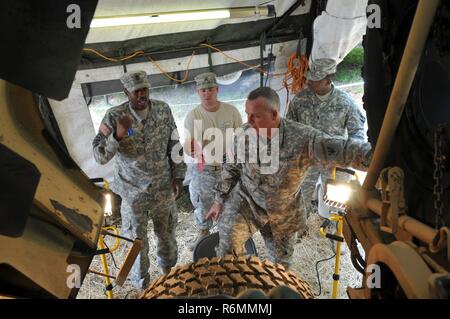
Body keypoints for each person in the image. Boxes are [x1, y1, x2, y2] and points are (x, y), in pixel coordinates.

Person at [206, 87, 371, 268]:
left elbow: (343, 149)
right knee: (226, 250)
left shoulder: (303, 138)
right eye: (248, 114)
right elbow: (231, 168)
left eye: (256, 116)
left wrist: (376, 157)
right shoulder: (243, 135)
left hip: (283, 211)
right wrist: (218, 200)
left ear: (274, 114)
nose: (249, 121)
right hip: (247, 202)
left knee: (281, 266)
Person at [92, 70, 186, 289]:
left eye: (144, 89)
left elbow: (175, 143)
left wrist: (179, 175)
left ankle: (169, 279)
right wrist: (117, 136)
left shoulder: (163, 109)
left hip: (162, 187)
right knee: (136, 242)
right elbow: (99, 156)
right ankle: (142, 286)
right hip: (132, 192)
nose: (141, 94)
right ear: (126, 92)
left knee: (167, 237)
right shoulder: (114, 116)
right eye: (136, 91)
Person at [286, 58, 366, 234]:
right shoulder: (299, 100)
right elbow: (289, 130)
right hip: (307, 161)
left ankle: (335, 229)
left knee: (338, 197)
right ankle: (299, 230)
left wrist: (343, 159)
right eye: (310, 77)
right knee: (300, 195)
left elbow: (357, 135)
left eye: (315, 79)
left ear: (328, 80)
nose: (309, 81)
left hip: (335, 162)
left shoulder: (346, 103)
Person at [184, 72, 243, 250]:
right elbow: (188, 144)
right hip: (205, 166)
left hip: (228, 166)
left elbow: (241, 136)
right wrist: (192, 148)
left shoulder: (231, 111)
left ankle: (229, 236)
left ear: (217, 89)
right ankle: (203, 233)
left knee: (231, 200)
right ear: (198, 92)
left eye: (210, 89)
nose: (206, 94)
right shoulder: (193, 115)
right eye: (202, 90)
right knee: (203, 201)